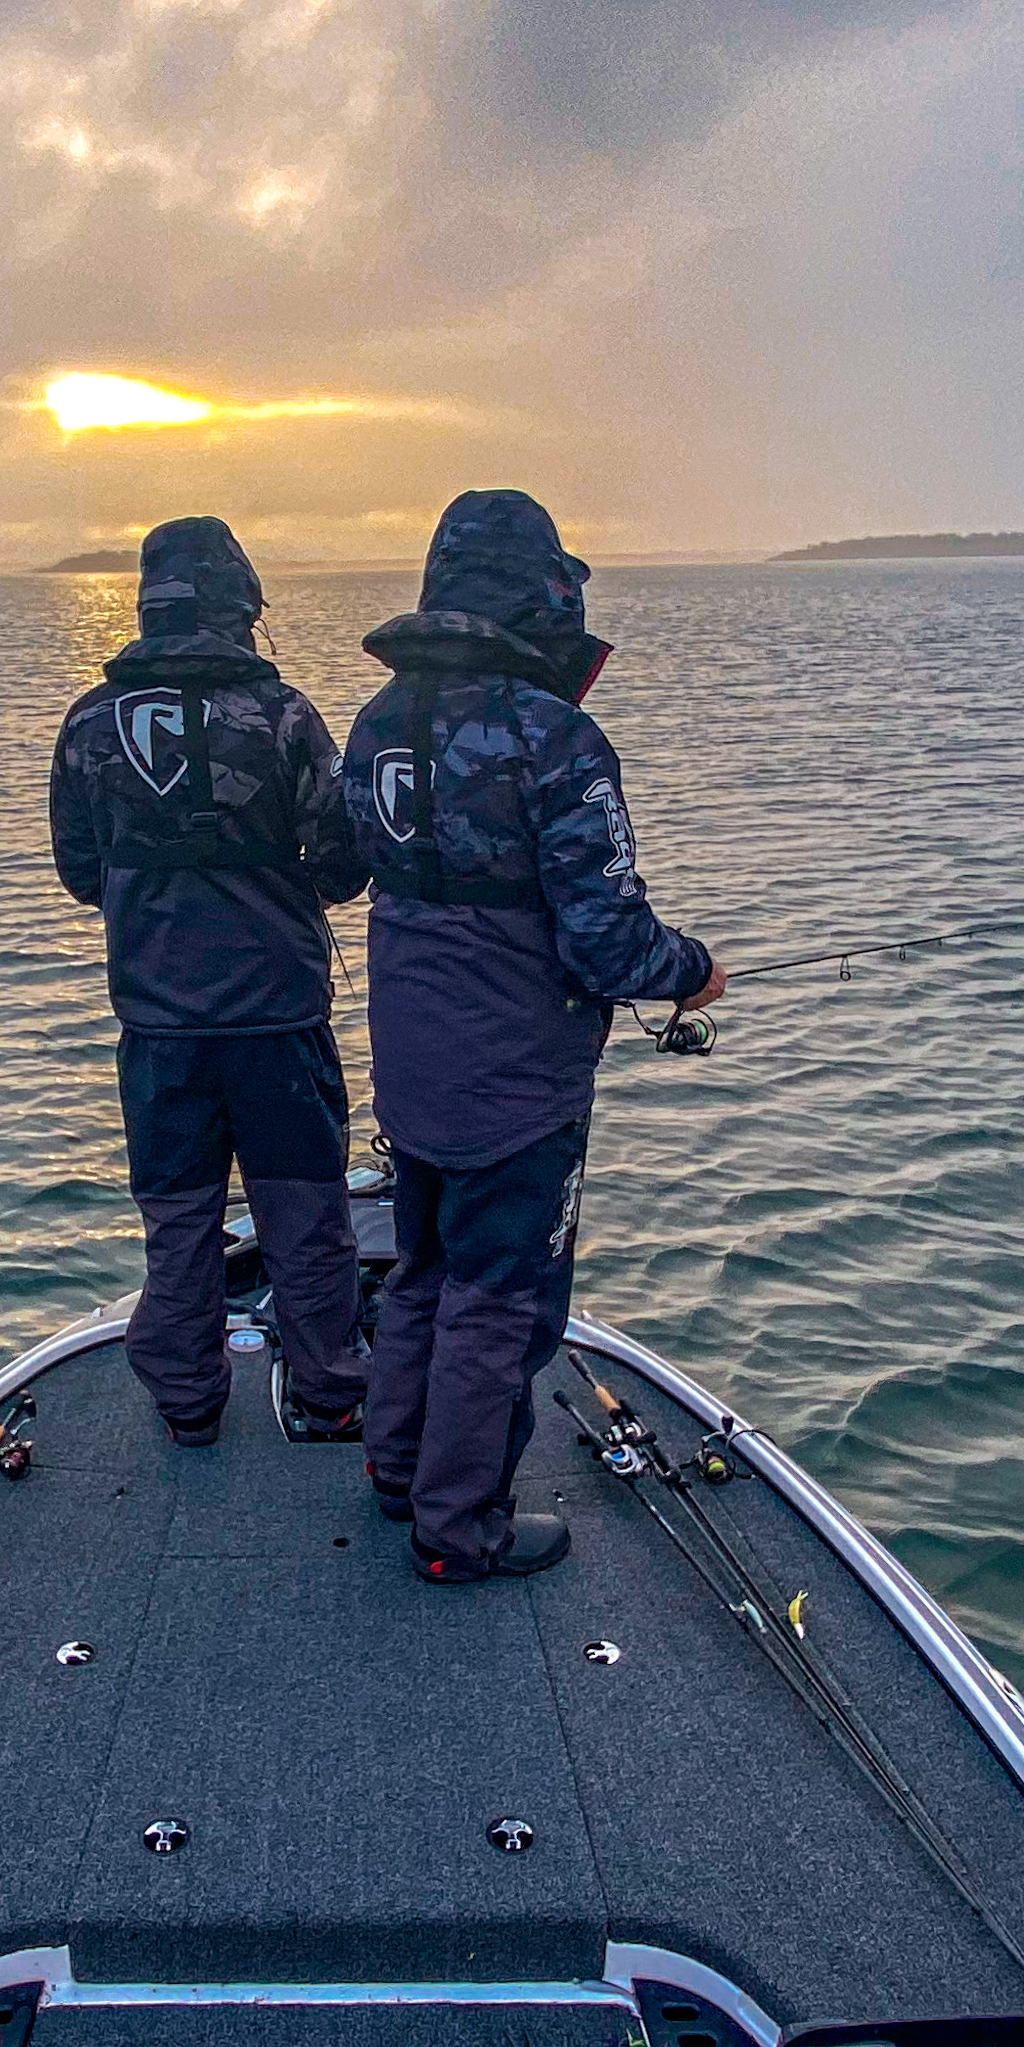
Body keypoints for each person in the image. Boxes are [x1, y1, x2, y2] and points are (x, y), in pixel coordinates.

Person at [342, 489, 720, 1582]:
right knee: (500, 1301)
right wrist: (692, 972)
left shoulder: (377, 722)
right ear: (543, 594)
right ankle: (458, 1530)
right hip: (517, 1081)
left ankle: (396, 1469)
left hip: (411, 1065)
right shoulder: (556, 735)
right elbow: (607, 941)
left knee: (420, 1272)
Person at [50, 517, 373, 1445]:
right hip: (277, 1026)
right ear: (242, 608)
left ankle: (190, 1404)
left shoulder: (87, 722)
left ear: (149, 604)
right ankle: (331, 1392)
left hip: (157, 1031)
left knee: (179, 1222)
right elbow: (343, 866)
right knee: (306, 1217)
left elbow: (79, 873)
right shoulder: (283, 717)